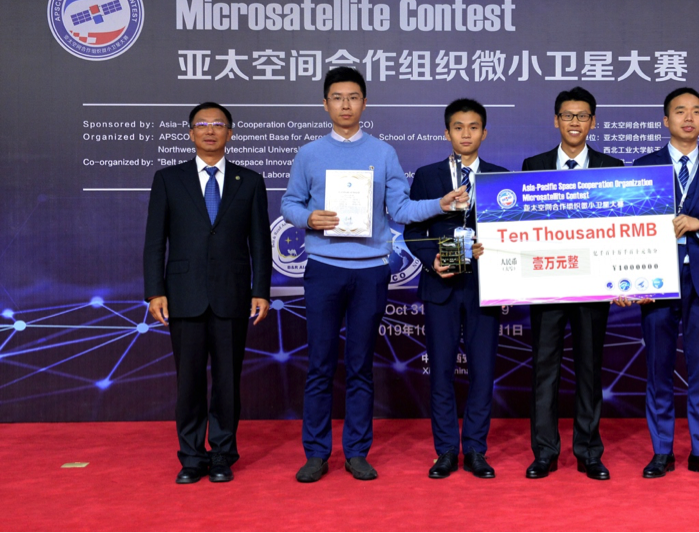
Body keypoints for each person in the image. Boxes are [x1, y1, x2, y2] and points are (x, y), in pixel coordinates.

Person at [280, 67, 468, 483]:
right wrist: (308, 217)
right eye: (337, 97)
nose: (345, 105)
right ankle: (316, 453)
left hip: (370, 271)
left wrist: (440, 203)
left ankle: (356, 452)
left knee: (360, 365)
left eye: (353, 97)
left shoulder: (383, 153)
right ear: (325, 104)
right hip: (324, 269)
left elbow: (400, 210)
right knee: (320, 364)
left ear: (364, 103)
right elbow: (289, 204)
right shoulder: (309, 153)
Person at [143, 102, 272, 484]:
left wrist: (261, 290)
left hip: (233, 293)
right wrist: (154, 291)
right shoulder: (169, 179)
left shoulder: (249, 181)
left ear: (230, 133)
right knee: (189, 382)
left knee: (227, 382)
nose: (210, 130)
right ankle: (191, 457)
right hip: (183, 294)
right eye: (202, 124)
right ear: (191, 133)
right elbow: (155, 242)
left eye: (218, 124)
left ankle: (222, 455)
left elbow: (260, 242)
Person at [630, 87, 699, 479]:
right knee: (658, 368)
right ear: (666, 120)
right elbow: (627, 226)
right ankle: (662, 450)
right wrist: (629, 279)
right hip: (655, 279)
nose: (689, 117)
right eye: (680, 111)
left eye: (696, 111)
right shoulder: (644, 166)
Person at [520, 86, 624, 481]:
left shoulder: (612, 167)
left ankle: (589, 452)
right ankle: (544, 452)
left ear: (593, 122)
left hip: (594, 283)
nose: (575, 122)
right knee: (544, 369)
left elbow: (623, 228)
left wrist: (623, 278)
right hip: (546, 281)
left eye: (582, 116)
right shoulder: (534, 165)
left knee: (589, 369)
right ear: (556, 120)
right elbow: (521, 224)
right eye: (568, 115)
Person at [404, 99, 508, 480]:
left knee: (482, 371)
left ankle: (476, 449)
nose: (466, 134)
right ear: (447, 132)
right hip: (440, 285)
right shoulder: (427, 176)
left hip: (485, 285)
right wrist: (431, 259)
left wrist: (490, 248)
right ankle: (446, 450)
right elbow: (412, 231)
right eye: (459, 127)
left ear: (484, 132)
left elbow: (513, 232)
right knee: (441, 371)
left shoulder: (499, 177)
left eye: (473, 127)